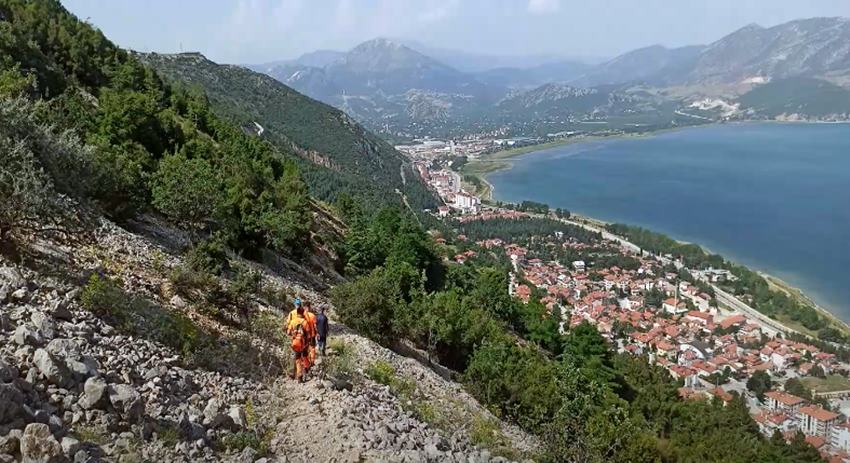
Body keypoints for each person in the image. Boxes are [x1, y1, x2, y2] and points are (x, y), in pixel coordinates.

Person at [285, 298, 315, 382]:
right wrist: (310, 339)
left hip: (295, 342)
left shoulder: (291, 316)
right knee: (305, 355)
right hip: (304, 342)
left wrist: (293, 335)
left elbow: (288, 331)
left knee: (297, 358)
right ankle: (307, 368)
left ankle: (299, 376)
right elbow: (309, 332)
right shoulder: (305, 321)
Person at [303, 300, 318, 370]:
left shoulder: (302, 315)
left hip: (304, 336)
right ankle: (312, 361)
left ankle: (306, 364)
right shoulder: (313, 315)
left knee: (305, 349)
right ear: (309, 307)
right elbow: (315, 326)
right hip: (312, 335)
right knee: (312, 348)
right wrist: (317, 333)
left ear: (304, 307)